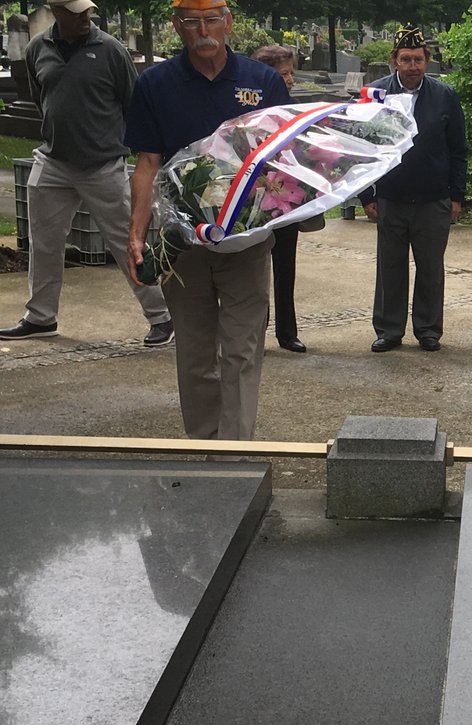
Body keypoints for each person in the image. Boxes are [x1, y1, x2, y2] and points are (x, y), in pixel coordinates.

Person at [125, 0, 289, 441]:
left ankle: (237, 451)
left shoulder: (263, 81)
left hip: (247, 240)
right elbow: (146, 162)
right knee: (195, 350)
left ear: (228, 22)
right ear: (177, 26)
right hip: (182, 243)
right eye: (192, 21)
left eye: (212, 18)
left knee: (242, 347)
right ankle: (203, 441)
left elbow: (284, 160)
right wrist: (137, 234)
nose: (203, 29)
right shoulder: (155, 84)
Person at [1, 0, 173, 345]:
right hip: (52, 161)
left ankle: (162, 317)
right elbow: (42, 97)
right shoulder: (38, 48)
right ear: (57, 12)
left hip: (103, 164)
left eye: (87, 11)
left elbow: (131, 104)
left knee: (129, 243)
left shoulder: (110, 50)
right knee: (44, 244)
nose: (84, 17)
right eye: (75, 12)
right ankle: (41, 317)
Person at [360, 26, 467, 353]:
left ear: (427, 61)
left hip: (433, 199)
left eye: (418, 59)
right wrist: (366, 196)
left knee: (431, 268)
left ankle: (428, 329)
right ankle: (389, 330)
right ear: (394, 60)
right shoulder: (375, 94)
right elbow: (361, 146)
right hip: (390, 198)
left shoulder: (444, 96)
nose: (412, 66)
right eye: (405, 59)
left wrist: (457, 195)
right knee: (390, 267)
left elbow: (458, 149)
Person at [251, 43, 306, 354]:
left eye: (291, 73)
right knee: (254, 270)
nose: (290, 79)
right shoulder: (249, 112)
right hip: (255, 199)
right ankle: (256, 329)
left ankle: (288, 332)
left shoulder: (294, 109)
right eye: (284, 74)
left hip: (287, 199)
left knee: (286, 266)